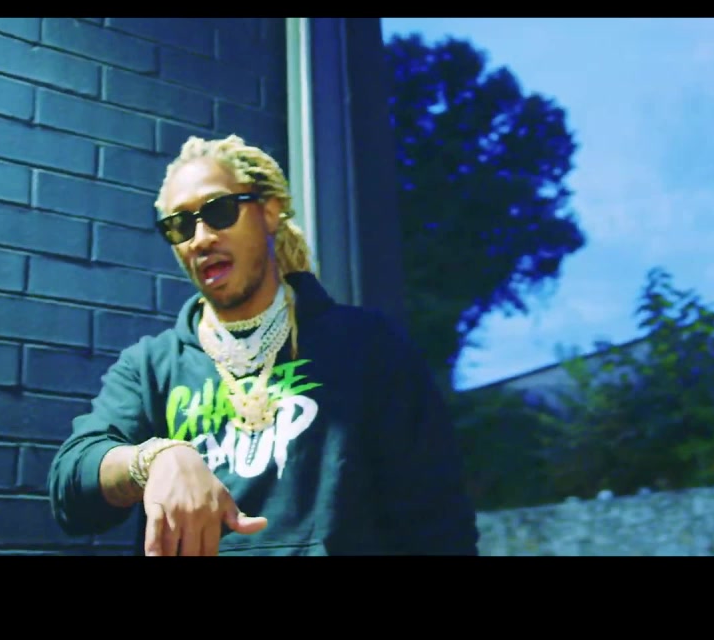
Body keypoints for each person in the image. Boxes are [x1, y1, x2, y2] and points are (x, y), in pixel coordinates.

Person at [47, 134, 480, 556]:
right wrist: (153, 459)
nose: (200, 238)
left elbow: (438, 523)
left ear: (269, 212)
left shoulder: (368, 346)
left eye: (219, 210)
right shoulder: (151, 366)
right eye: (180, 224)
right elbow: (71, 485)